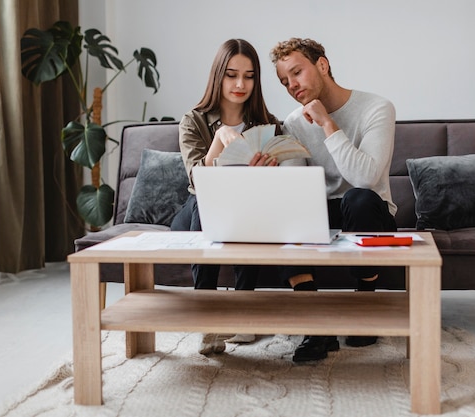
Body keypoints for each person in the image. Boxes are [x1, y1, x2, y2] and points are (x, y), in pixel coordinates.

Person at [270, 37, 398, 362]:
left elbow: (366, 178)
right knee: (281, 212)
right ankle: (316, 324)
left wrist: (328, 124)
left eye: (297, 73)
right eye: (285, 81)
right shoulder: (292, 124)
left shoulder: (377, 108)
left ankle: (364, 307)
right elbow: (296, 189)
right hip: (320, 213)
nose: (291, 85)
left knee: (358, 198)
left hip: (369, 213)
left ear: (322, 66)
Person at [170, 38, 280, 355]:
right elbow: (198, 178)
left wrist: (269, 169)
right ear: (218, 75)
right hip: (199, 207)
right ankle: (209, 317)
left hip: (248, 208)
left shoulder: (269, 124)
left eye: (248, 76)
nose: (240, 84)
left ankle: (244, 311)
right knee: (208, 203)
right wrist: (219, 139)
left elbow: (277, 185)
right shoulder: (193, 119)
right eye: (232, 75)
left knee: (251, 210)